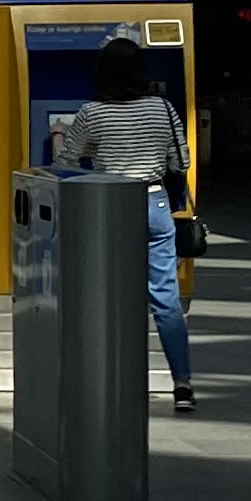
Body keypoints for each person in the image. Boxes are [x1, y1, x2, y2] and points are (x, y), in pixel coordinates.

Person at [57, 34, 199, 411]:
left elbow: (65, 163)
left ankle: (113, 381)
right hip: (154, 204)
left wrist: (60, 136)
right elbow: (181, 162)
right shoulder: (162, 108)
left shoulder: (92, 113)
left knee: (111, 296)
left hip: (111, 207)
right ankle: (182, 384)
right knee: (165, 298)